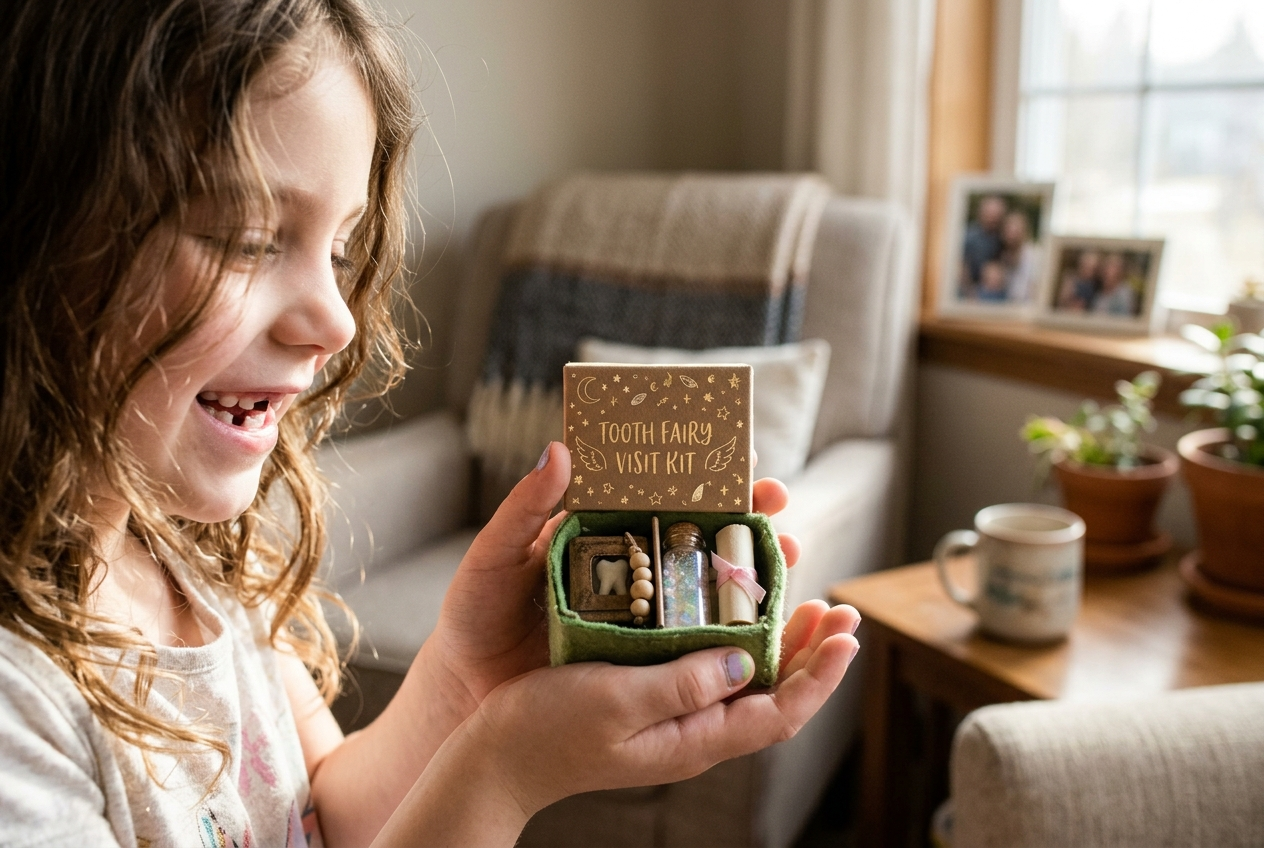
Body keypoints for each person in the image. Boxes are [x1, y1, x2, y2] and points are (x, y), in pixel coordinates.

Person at [0, 2, 861, 846]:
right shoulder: (18, 715)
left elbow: (324, 816)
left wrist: (467, 681)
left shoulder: (192, 561)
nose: (337, 322)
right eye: (248, 236)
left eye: (340, 252)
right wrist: (501, 772)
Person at [960, 194, 1007, 297]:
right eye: (990, 215)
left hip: (994, 291)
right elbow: (962, 266)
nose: (994, 219)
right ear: (981, 213)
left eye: (997, 216)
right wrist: (969, 292)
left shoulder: (1002, 236)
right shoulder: (969, 236)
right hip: (971, 291)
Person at [998, 210, 1039, 304]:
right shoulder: (1002, 256)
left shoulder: (1034, 254)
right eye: (1008, 229)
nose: (1012, 234)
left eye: (1016, 229)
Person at [1091, 252, 1139, 317]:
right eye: (1105, 269)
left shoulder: (1125, 294)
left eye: (1111, 269)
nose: (1106, 273)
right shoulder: (1098, 292)